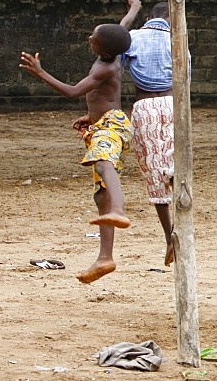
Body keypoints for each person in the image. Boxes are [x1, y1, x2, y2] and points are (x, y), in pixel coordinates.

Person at [20, 23, 133, 284]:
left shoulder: (105, 66)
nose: (88, 38)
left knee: (104, 163)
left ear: (103, 49)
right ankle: (105, 257)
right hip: (102, 123)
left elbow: (72, 92)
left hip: (111, 126)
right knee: (100, 195)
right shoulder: (112, 54)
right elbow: (122, 28)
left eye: (93, 38)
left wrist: (40, 73)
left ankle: (119, 209)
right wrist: (133, 9)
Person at [119, 0, 182, 265]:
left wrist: (130, 13)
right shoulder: (178, 40)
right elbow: (185, 79)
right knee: (178, 171)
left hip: (145, 108)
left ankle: (170, 236)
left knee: (155, 178)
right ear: (171, 19)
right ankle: (182, 230)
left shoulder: (133, 38)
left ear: (149, 17)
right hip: (173, 106)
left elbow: (114, 44)